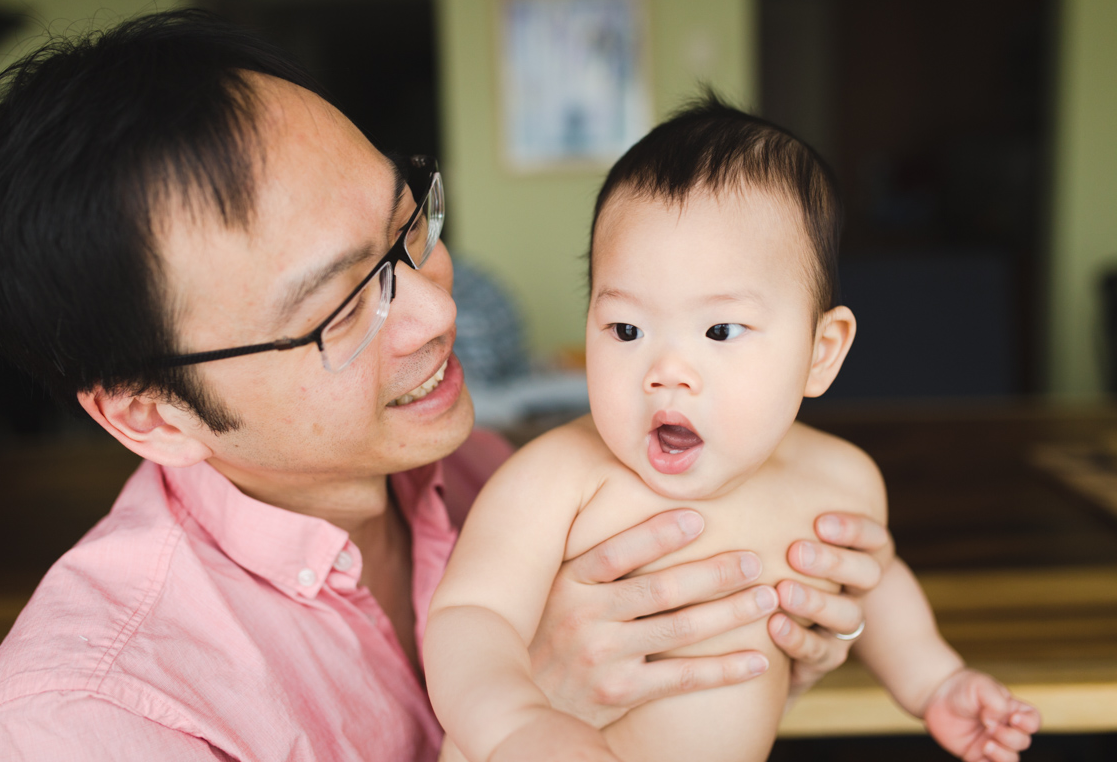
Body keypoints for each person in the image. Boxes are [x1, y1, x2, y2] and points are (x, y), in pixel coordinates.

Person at [0, 11, 892, 761]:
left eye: (410, 229)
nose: (436, 313)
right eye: (339, 307)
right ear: (148, 412)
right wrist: (530, 707)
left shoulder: (480, 472)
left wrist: (759, 656)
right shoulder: (90, 721)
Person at [426, 95, 1042, 762]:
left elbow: (879, 581)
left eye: (721, 329)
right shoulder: (557, 480)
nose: (666, 371)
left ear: (821, 351)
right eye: (626, 329)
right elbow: (471, 619)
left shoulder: (839, 481)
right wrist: (516, 725)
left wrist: (937, 681)